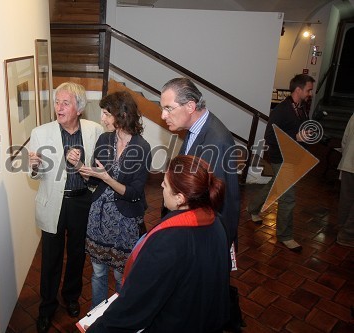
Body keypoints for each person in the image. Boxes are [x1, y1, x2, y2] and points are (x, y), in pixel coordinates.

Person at [87, 155, 230, 333]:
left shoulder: (168, 240)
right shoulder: (217, 220)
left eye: (166, 183)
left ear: (180, 198)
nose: (161, 185)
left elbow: (137, 305)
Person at [28, 82, 103, 333]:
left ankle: (71, 297)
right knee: (51, 258)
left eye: (65, 103)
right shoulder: (40, 132)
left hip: (82, 199)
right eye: (57, 102)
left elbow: (100, 170)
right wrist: (35, 166)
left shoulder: (94, 130)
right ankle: (47, 307)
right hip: (54, 204)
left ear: (79, 108)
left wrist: (83, 166)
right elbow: (34, 175)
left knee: (77, 253)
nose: (58, 108)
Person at [77, 91, 152, 308]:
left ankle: (118, 318)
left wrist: (107, 178)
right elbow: (94, 180)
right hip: (98, 217)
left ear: (121, 115)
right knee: (98, 273)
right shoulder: (104, 139)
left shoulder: (141, 147)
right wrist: (82, 170)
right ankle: (97, 316)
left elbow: (134, 192)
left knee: (121, 277)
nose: (102, 119)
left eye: (106, 114)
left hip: (125, 221)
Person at [160, 77, 240, 248]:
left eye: (168, 108)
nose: (163, 115)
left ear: (190, 106)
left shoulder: (217, 141)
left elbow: (214, 202)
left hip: (205, 237)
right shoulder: (195, 127)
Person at [248, 74, 315, 252]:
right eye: (308, 90)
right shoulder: (282, 110)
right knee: (288, 197)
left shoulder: (300, 108)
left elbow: (296, 129)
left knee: (273, 186)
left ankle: (253, 209)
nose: (310, 93)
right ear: (298, 89)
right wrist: (295, 137)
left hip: (292, 156)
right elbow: (270, 136)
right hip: (281, 157)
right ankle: (285, 236)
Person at [336, 114, 354, 247]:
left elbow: (345, 138)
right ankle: (347, 235)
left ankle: (342, 227)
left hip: (348, 162)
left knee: (346, 198)